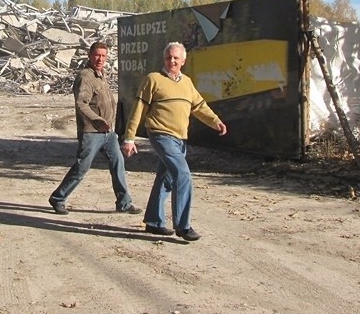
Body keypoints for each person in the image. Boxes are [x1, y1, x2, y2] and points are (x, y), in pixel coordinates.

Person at [122, 42, 228, 242]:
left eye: (176, 58)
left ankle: (153, 221)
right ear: (164, 59)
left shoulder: (187, 82)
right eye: (168, 57)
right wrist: (129, 137)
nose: (172, 61)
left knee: (167, 178)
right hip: (160, 134)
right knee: (183, 175)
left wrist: (215, 121)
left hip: (180, 138)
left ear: (183, 61)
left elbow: (199, 106)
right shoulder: (153, 79)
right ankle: (183, 226)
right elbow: (138, 109)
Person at [48, 42, 142, 216]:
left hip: (108, 133)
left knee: (118, 163)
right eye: (97, 55)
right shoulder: (85, 77)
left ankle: (124, 202)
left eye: (104, 56)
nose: (100, 59)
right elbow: (81, 104)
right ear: (89, 55)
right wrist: (97, 120)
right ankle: (58, 198)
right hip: (91, 132)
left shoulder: (100, 75)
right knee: (82, 167)